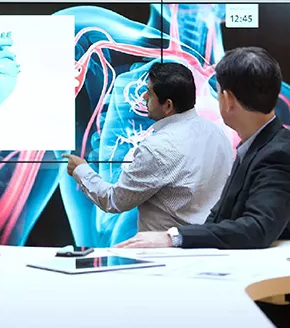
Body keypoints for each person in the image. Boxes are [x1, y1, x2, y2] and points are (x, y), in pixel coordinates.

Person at [115, 47, 290, 250]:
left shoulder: (278, 153)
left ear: (228, 99)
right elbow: (220, 218)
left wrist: (174, 237)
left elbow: (258, 228)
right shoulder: (253, 146)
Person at [63, 62, 232, 234]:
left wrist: (81, 170)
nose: (143, 97)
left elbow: (114, 200)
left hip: (166, 255)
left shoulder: (156, 149)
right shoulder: (218, 134)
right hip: (208, 248)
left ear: (167, 105)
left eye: (149, 94)